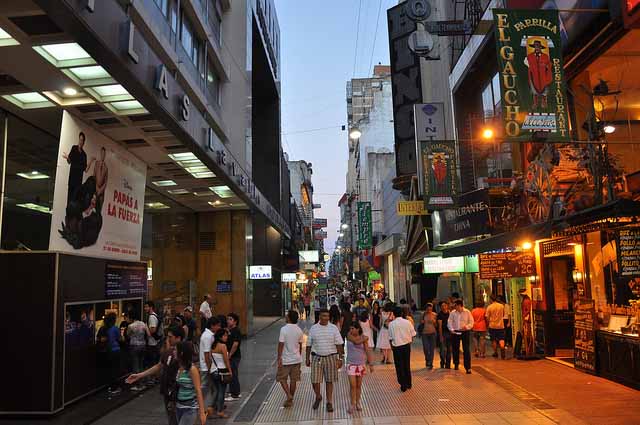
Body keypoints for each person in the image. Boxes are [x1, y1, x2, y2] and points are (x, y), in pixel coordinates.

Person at [126, 325, 185, 425]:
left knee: (178, 420)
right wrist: (139, 375)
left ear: (178, 338)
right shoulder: (168, 352)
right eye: (167, 337)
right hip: (168, 392)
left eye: (170, 337)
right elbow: (159, 366)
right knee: (172, 419)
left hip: (179, 394)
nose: (168, 339)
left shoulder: (184, 353)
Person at [306, 308, 344, 413]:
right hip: (316, 357)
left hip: (331, 357)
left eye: (327, 316)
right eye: (323, 316)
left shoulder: (333, 328)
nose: (326, 318)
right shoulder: (313, 328)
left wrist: (340, 358)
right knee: (315, 380)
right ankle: (318, 396)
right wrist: (307, 358)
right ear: (319, 317)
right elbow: (308, 344)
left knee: (329, 381)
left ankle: (329, 402)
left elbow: (339, 344)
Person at [174, 341, 207, 425]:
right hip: (179, 406)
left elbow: (198, 390)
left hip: (190, 408)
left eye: (175, 350)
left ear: (181, 353)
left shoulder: (192, 369)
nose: (173, 352)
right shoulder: (179, 367)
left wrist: (202, 412)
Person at [345, 321, 373, 414]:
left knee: (358, 385)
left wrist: (371, 364)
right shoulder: (349, 335)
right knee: (352, 385)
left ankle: (358, 402)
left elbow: (367, 350)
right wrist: (366, 338)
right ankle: (352, 404)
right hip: (351, 364)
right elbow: (356, 342)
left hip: (360, 364)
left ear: (358, 329)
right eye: (350, 328)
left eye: (353, 328)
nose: (351, 330)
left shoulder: (363, 338)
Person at [277, 310, 304, 407]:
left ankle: (288, 395)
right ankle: (290, 398)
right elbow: (300, 345)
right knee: (294, 380)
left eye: (286, 316)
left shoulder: (283, 329)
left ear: (289, 318)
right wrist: (299, 356)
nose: (285, 317)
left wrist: (279, 357)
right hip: (296, 359)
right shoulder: (299, 330)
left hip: (285, 359)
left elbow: (281, 344)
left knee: (281, 378)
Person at [62, 131, 94, 206]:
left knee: (75, 201)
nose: (81, 142)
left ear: (84, 142)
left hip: (78, 182)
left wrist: (91, 161)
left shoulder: (84, 155)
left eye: (82, 140)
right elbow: (69, 161)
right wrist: (67, 157)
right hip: (72, 179)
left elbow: (86, 170)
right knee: (69, 200)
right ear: (78, 140)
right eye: (80, 139)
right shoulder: (74, 148)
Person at [388, 306, 415, 392]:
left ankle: (403, 384)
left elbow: (390, 338)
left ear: (394, 314)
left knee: (399, 366)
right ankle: (409, 383)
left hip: (397, 347)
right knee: (406, 364)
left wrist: (392, 347)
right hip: (406, 346)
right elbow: (413, 334)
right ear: (402, 313)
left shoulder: (391, 324)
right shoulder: (407, 322)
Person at [199, 317, 221, 416]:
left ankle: (209, 407)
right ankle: (206, 408)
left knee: (211, 388)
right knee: (209, 389)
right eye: (218, 325)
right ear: (212, 325)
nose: (219, 327)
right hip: (206, 367)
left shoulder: (208, 335)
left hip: (207, 366)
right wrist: (210, 368)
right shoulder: (208, 336)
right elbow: (207, 354)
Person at [210, 329, 233, 419]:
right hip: (222, 371)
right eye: (225, 336)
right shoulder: (223, 346)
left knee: (217, 391)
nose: (226, 337)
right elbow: (226, 360)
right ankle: (220, 411)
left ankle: (211, 408)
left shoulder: (212, 346)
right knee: (221, 392)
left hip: (213, 371)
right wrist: (230, 371)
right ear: (220, 337)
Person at [448, 300, 474, 374]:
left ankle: (468, 367)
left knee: (466, 349)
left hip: (465, 332)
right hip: (455, 332)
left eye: (455, 305)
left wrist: (467, 327)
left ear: (460, 305)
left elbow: (471, 322)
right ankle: (456, 363)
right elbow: (449, 321)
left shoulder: (467, 312)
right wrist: (451, 329)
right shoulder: (453, 313)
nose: (454, 307)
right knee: (455, 348)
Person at [126, 310, 150, 390]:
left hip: (134, 346)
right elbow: (148, 334)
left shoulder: (131, 326)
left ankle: (137, 385)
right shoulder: (143, 324)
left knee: (135, 366)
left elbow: (128, 335)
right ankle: (143, 383)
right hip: (143, 345)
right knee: (141, 365)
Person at [101, 313, 122, 395]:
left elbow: (102, 339)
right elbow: (120, 339)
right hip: (115, 350)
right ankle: (115, 388)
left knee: (109, 369)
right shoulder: (115, 328)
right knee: (115, 370)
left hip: (107, 351)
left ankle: (110, 386)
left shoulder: (103, 328)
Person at [226, 313, 242, 400]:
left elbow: (235, 344)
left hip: (234, 356)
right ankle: (236, 392)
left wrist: (230, 354)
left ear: (235, 321)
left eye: (230, 319)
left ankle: (234, 394)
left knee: (233, 374)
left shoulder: (236, 331)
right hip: (232, 356)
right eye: (228, 319)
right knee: (232, 373)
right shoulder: (230, 330)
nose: (228, 321)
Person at [486, 295, 506, 359]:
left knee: (493, 340)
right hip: (501, 325)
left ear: (491, 300)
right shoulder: (501, 306)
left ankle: (495, 352)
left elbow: (487, 317)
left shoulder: (489, 307)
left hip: (492, 326)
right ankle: (502, 347)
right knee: (501, 338)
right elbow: (503, 314)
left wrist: (487, 324)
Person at [145, 301, 163, 372]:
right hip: (155, 342)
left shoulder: (152, 317)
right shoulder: (155, 315)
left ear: (151, 307)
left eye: (146, 307)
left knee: (152, 363)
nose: (145, 308)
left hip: (153, 343)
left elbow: (152, 330)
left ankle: (153, 379)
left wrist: (145, 327)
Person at [420, 303, 437, 369]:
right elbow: (420, 323)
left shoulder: (435, 315)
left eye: (430, 308)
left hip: (433, 333)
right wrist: (422, 322)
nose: (429, 310)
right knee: (426, 348)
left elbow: (436, 326)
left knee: (432, 349)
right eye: (428, 309)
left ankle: (431, 362)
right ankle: (427, 359)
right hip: (424, 333)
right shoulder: (423, 314)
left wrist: (434, 322)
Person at [437, 301, 452, 369]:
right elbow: (439, 326)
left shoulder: (450, 313)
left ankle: (448, 364)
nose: (443, 307)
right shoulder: (440, 315)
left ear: (447, 306)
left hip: (450, 333)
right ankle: (442, 361)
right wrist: (440, 336)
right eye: (442, 306)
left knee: (449, 349)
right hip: (443, 333)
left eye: (445, 305)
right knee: (443, 349)